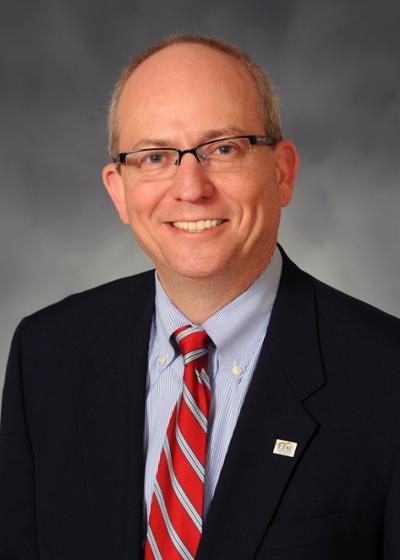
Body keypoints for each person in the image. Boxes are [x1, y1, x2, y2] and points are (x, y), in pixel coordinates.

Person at [0, 34, 399, 560]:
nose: (190, 188)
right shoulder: (46, 354)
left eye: (224, 148)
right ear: (119, 191)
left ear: (282, 173)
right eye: (155, 156)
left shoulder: (386, 374)